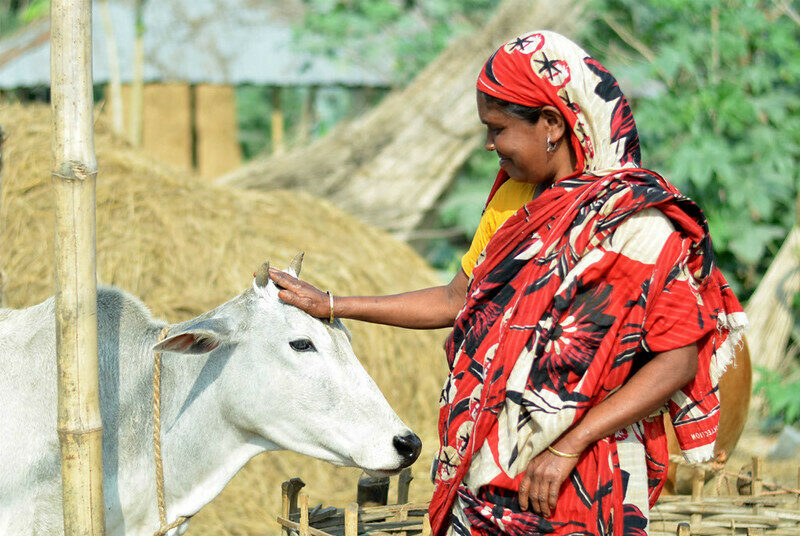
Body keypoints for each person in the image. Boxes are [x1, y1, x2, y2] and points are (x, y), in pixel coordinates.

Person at [268, 30, 746, 536]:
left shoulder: (638, 226)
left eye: (497, 129)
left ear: (551, 124)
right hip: (484, 470)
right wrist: (333, 304)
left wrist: (569, 444)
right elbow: (456, 299)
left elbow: (677, 360)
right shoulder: (512, 203)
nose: (489, 143)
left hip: (586, 474)